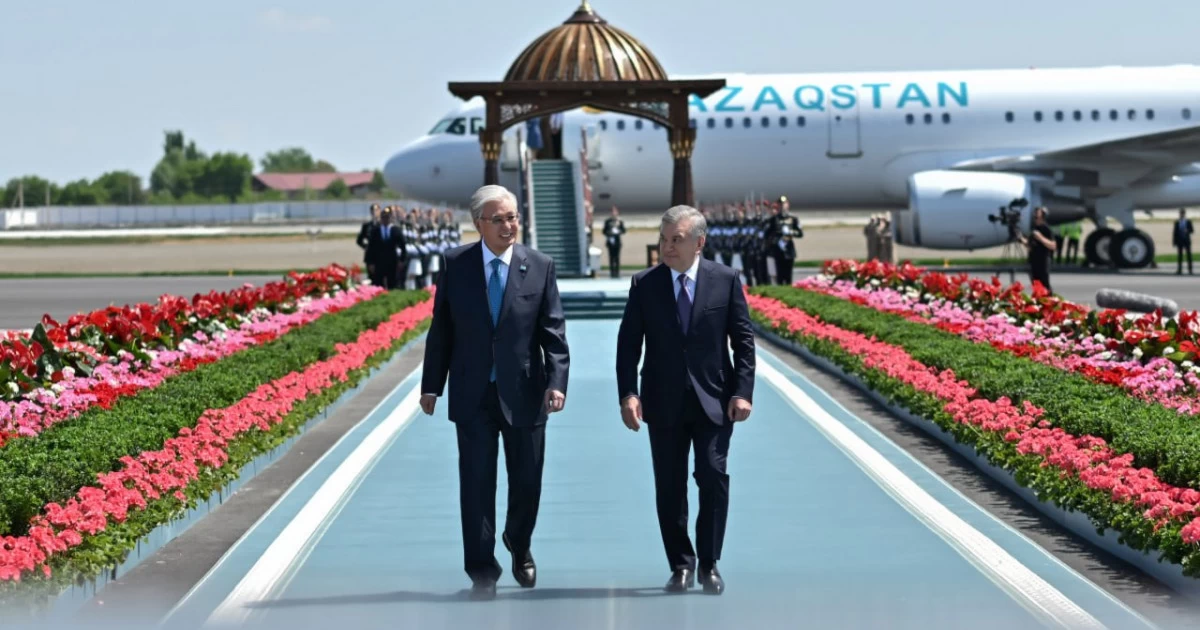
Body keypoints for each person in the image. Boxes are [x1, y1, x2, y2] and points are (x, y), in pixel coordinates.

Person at [420, 184, 571, 600]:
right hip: (472, 392)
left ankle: (518, 542)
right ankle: (482, 571)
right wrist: (432, 385)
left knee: (527, 481)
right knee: (476, 485)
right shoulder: (455, 264)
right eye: (499, 219)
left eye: (513, 217)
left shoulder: (539, 266)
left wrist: (556, 382)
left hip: (525, 392)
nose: (509, 226)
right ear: (479, 224)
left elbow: (554, 333)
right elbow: (442, 329)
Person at [615, 205, 756, 596]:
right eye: (663, 239)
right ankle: (681, 564)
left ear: (699, 242)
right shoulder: (645, 284)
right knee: (670, 486)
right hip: (662, 402)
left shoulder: (725, 280)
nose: (667, 247)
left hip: (715, 400)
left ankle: (709, 563)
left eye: (676, 240)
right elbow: (628, 346)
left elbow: (743, 342)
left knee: (713, 476)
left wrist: (743, 392)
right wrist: (628, 394)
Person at [1018, 206, 1056, 293]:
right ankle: (1038, 299)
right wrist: (1021, 239)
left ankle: (1049, 298)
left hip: (1042, 261)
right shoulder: (1035, 229)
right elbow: (1030, 245)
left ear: (1043, 216)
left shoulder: (1046, 229)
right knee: (1035, 284)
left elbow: (1053, 245)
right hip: (1033, 261)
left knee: (1044, 284)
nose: (1035, 217)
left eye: (1037, 215)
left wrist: (1040, 238)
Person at [365, 207, 405, 289]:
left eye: (387, 217)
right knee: (378, 284)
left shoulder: (396, 230)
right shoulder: (376, 231)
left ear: (391, 218)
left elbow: (403, 246)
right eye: (383, 217)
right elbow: (370, 248)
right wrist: (370, 262)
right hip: (379, 261)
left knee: (392, 283)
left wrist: (401, 260)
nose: (385, 219)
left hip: (392, 261)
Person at [603, 206, 626, 278]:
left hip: (617, 242)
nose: (613, 213)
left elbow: (624, 230)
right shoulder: (607, 221)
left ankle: (617, 273)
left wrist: (618, 231)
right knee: (611, 258)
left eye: (615, 212)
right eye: (612, 212)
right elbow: (604, 231)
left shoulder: (620, 221)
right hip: (610, 242)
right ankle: (612, 273)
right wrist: (609, 232)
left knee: (617, 258)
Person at [1173, 208, 1194, 275]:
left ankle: (1190, 270)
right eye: (1180, 213)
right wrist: (1174, 242)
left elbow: (1192, 230)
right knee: (1180, 256)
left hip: (1187, 241)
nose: (1181, 215)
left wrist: (1187, 230)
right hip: (1180, 241)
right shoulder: (1177, 222)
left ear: (1184, 214)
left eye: (1182, 213)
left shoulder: (1188, 222)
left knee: (1189, 256)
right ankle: (1179, 270)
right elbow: (1174, 233)